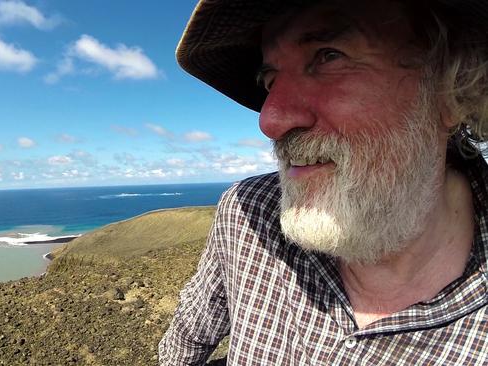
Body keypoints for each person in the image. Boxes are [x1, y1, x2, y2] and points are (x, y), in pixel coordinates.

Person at [159, 0, 488, 364]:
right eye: (270, 81)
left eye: (328, 56)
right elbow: (183, 345)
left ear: (453, 87)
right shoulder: (244, 216)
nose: (270, 121)